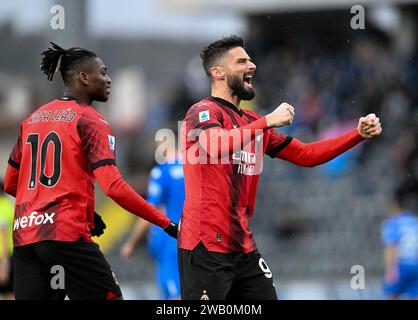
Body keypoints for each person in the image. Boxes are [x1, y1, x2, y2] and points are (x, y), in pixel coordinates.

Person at [179, 35, 382, 300]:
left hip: (242, 247)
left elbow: (307, 154)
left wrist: (357, 135)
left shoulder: (252, 121)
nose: (251, 65)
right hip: (205, 245)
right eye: (241, 61)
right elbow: (214, 145)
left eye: (250, 60)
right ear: (218, 72)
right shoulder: (202, 111)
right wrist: (266, 122)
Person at [3, 42, 178, 300]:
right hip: (65, 235)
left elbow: (10, 184)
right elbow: (113, 187)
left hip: (27, 238)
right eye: (103, 73)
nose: (108, 80)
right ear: (83, 77)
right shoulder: (90, 120)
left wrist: (81, 210)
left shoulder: (33, 119)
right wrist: (167, 224)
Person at [121, 143, 183, 300]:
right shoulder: (198, 170)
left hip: (171, 242)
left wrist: (131, 243)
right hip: (200, 242)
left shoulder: (162, 171)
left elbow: (150, 212)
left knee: (175, 295)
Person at [381, 180, 418, 299]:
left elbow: (391, 247)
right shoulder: (415, 221)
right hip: (416, 265)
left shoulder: (393, 223)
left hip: (401, 265)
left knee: (392, 295)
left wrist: (390, 269)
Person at [0, 179, 14, 299]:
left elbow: (3, 235)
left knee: (6, 291)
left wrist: (3, 265)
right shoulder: (8, 205)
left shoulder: (2, 207)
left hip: (3, 256)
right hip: (10, 253)